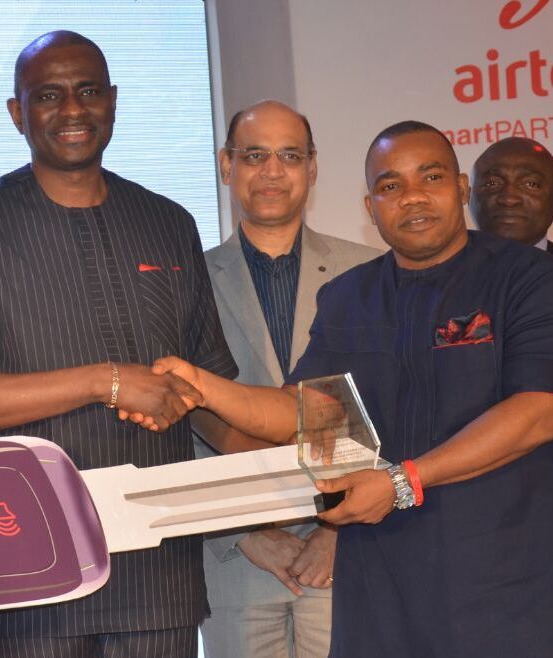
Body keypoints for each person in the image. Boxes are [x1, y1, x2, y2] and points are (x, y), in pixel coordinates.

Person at [151, 121, 553, 657]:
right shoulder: (348, 295)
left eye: (429, 177)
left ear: (460, 188)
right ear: (370, 207)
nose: (411, 196)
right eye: (390, 186)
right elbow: (307, 410)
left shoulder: (526, 277)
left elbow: (536, 412)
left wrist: (404, 481)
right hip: (377, 587)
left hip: (499, 582)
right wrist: (205, 388)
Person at [0, 30, 236, 658]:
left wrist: (300, 451)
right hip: (25, 573)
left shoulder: (169, 223)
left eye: (88, 91)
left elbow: (210, 396)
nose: (72, 111)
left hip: (157, 575)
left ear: (113, 101)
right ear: (17, 113)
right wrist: (106, 379)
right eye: (48, 96)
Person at [194, 101, 379, 658]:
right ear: (227, 165)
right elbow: (174, 418)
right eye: (254, 156)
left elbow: (393, 406)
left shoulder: (370, 272)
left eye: (289, 156)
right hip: (235, 558)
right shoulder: (187, 281)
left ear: (313, 167)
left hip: (348, 556)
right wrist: (241, 534)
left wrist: (335, 531)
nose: (272, 172)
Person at [470, 136, 553, 252]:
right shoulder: (440, 268)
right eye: (492, 183)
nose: (509, 199)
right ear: (467, 195)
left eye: (531, 184)